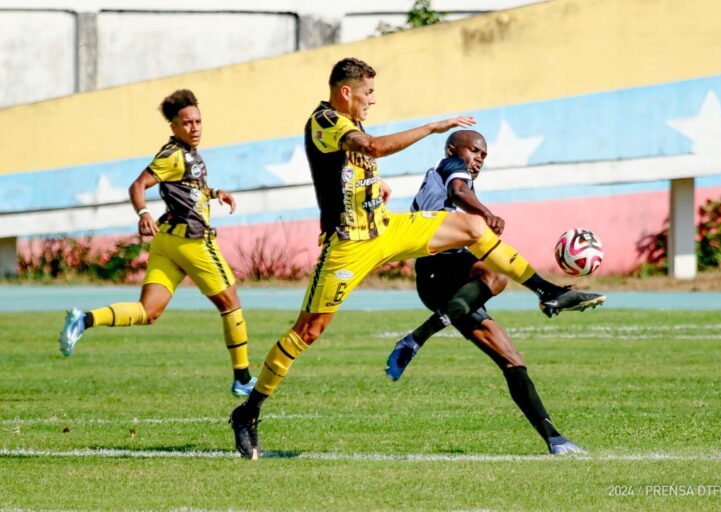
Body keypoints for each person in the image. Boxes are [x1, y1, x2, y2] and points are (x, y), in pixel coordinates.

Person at [229, 57, 605, 460]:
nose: (372, 100)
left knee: (473, 227)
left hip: (386, 227)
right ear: (346, 91)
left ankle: (547, 291)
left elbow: (352, 168)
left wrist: (376, 185)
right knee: (309, 331)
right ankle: (248, 411)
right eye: (368, 92)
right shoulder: (325, 121)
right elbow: (372, 148)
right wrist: (431, 127)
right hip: (350, 244)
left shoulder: (351, 122)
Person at [384, 129, 589, 455]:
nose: (479, 159)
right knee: (495, 275)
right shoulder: (450, 167)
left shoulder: (454, 182)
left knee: (511, 359)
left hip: (451, 285)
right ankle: (420, 336)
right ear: (453, 149)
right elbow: (460, 191)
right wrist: (485, 213)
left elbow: (462, 197)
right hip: (436, 271)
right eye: (474, 151)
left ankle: (555, 440)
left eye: (484, 155)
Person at [58, 89, 256, 397]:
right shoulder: (173, 155)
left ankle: (84, 319)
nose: (195, 127)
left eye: (198, 121)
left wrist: (215, 193)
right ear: (174, 127)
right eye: (187, 122)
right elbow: (138, 185)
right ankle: (242, 378)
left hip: (168, 243)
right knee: (230, 304)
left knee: (147, 311)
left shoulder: (188, 154)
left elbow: (189, 189)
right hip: (192, 242)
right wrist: (143, 213)